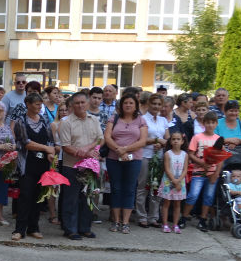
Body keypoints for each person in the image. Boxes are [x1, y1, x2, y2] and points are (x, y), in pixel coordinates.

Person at [58, 91, 104, 240]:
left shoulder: (94, 120)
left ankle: (85, 228)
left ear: (88, 103)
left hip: (90, 166)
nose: (80, 105)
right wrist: (84, 153)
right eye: (77, 103)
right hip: (71, 166)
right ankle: (70, 229)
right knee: (71, 199)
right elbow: (66, 146)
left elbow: (100, 139)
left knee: (88, 197)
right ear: (72, 105)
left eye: (83, 102)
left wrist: (88, 149)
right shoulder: (66, 122)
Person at [11, 92, 57, 240]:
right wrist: (45, 148)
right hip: (27, 164)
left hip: (42, 164)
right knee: (25, 196)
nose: (39, 107)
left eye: (40, 104)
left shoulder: (43, 120)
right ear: (28, 105)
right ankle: (19, 230)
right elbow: (26, 143)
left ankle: (33, 228)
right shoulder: (21, 121)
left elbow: (50, 140)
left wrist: (50, 153)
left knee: (39, 196)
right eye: (37, 104)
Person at [104, 92, 148, 233]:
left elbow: (142, 141)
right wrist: (119, 150)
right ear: (121, 105)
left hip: (134, 159)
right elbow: (107, 137)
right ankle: (116, 221)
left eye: (131, 103)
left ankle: (126, 222)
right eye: (125, 103)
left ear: (136, 105)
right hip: (114, 158)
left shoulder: (141, 120)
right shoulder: (114, 118)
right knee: (116, 189)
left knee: (129, 189)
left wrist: (125, 149)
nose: (128, 105)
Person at [181, 111, 222, 232]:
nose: (210, 125)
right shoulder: (197, 137)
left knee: (208, 197)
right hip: (199, 171)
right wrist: (201, 163)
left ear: (216, 124)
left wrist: (216, 173)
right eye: (208, 122)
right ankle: (184, 217)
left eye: (213, 122)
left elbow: (221, 159)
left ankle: (203, 219)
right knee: (193, 195)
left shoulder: (218, 139)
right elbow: (191, 154)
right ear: (203, 124)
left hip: (212, 173)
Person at [136, 93, 168, 227]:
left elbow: (168, 139)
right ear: (149, 104)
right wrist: (155, 140)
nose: (156, 106)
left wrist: (162, 144)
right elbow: (139, 139)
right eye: (154, 103)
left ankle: (153, 217)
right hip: (144, 155)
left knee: (157, 187)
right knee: (143, 186)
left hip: (159, 156)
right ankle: (141, 216)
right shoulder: (142, 119)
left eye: (159, 104)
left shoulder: (163, 120)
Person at [158, 131, 188, 233]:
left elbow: (185, 170)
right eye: (173, 139)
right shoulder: (168, 154)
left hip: (180, 182)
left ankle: (175, 224)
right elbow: (167, 169)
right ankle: (165, 224)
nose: (176, 141)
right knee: (166, 202)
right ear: (170, 141)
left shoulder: (185, 155)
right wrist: (174, 180)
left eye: (178, 139)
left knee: (177, 203)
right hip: (168, 181)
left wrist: (178, 181)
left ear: (182, 141)